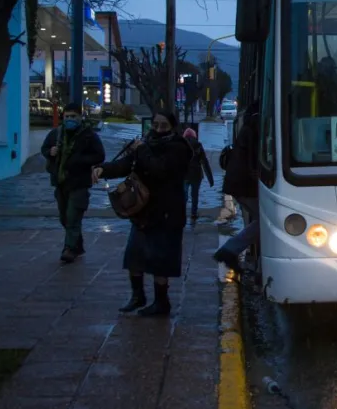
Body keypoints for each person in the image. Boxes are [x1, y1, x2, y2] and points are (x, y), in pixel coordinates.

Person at [93, 111, 192, 316]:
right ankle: (137, 296)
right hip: (143, 211)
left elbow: (159, 169)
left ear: (172, 127)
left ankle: (161, 302)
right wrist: (103, 169)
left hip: (166, 213)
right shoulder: (146, 144)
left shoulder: (179, 148)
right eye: (154, 124)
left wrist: (144, 150)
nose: (157, 129)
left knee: (160, 261)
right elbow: (126, 164)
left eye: (163, 125)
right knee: (134, 256)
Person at [40, 102, 106, 263]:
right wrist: (50, 152)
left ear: (80, 117)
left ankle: (69, 248)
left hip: (79, 182)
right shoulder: (57, 133)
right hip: (60, 182)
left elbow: (99, 155)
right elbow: (44, 149)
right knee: (64, 217)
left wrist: (80, 161)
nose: (70, 119)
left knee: (73, 216)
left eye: (73, 116)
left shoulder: (88, 135)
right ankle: (77, 245)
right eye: (67, 116)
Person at [213, 100, 261, 274]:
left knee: (262, 221)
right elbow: (253, 162)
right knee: (266, 222)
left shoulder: (247, 127)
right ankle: (229, 250)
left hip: (238, 183)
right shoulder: (254, 129)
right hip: (244, 185)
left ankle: (237, 254)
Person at [183, 127, 214, 223]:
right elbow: (204, 162)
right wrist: (210, 179)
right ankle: (193, 213)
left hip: (184, 174)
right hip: (196, 174)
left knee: (184, 195)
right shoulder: (198, 145)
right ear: (194, 135)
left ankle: (182, 213)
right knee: (194, 195)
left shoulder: (181, 145)